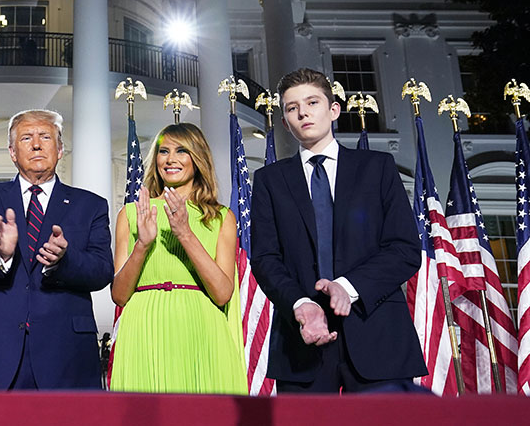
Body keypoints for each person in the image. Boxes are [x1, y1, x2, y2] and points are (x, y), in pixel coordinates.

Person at [249, 68, 427, 392]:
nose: (302, 112)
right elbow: (265, 258)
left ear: (333, 110)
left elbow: (404, 249)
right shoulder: (268, 181)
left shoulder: (378, 168)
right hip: (301, 342)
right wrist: (300, 304)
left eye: (312, 102)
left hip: (377, 332)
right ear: (286, 121)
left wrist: (349, 286)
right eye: (291, 108)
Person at [0, 109, 114, 390]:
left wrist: (64, 260)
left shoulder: (91, 205)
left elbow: (102, 271)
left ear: (60, 149)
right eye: (26, 137)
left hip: (64, 354)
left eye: (45, 137)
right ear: (12, 152)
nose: (36, 144)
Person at [109, 123, 246, 393]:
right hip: (143, 330)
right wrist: (143, 245)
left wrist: (185, 233)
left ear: (198, 158)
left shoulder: (221, 217)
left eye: (181, 151)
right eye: (163, 151)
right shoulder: (130, 214)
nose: (170, 159)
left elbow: (222, 293)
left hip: (200, 330)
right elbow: (120, 295)